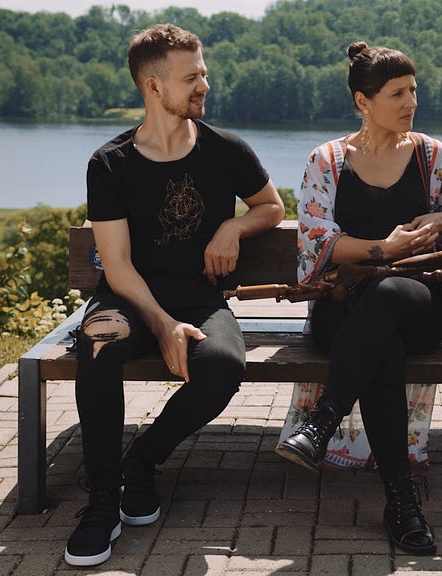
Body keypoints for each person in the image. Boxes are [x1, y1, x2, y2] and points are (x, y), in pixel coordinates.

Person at [64, 24, 284, 567]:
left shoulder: (226, 150)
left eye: (204, 72)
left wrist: (233, 228)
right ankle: (101, 499)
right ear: (154, 87)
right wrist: (161, 324)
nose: (205, 84)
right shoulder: (110, 163)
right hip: (127, 296)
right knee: (98, 345)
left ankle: (142, 462)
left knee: (225, 364)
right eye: (192, 77)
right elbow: (115, 265)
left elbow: (271, 207)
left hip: (199, 296)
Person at [277, 41, 442, 556]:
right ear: (363, 101)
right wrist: (387, 247)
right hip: (344, 311)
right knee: (378, 345)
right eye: (397, 93)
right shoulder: (329, 160)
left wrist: (440, 220)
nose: (411, 103)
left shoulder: (432, 155)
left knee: (385, 294)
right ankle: (401, 501)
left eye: (413, 91)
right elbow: (316, 240)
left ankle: (324, 419)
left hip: (420, 307)